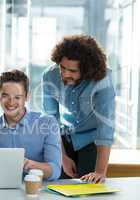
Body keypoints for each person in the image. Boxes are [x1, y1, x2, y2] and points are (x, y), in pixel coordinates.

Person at [42, 35, 115, 183]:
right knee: (57, 185)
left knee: (88, 188)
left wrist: (100, 172)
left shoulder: (102, 79)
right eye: (62, 67)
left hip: (91, 141)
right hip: (63, 137)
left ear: (87, 70)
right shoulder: (49, 76)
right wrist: (62, 157)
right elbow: (51, 120)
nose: (65, 74)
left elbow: (105, 125)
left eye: (73, 71)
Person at [0, 69, 61, 181]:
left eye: (17, 97)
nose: (11, 102)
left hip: (37, 192)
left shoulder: (47, 124)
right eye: (6, 96)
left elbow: (55, 171)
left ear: (26, 97)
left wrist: (28, 164)